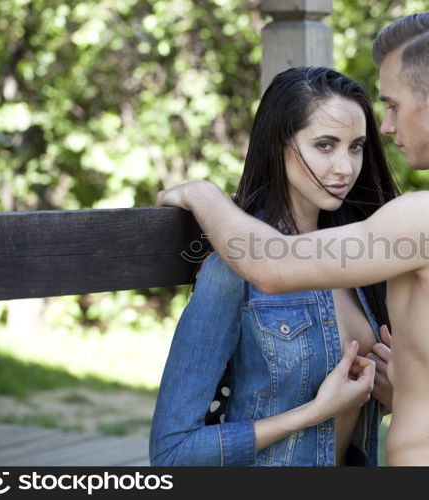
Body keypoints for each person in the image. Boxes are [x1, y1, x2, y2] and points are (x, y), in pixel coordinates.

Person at [156, 8, 429, 466]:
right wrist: (411, 389)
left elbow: (272, 266)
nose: (387, 127)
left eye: (393, 105)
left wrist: (204, 195)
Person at [149, 66, 400, 466]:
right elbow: (172, 453)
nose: (345, 167)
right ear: (279, 145)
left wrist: (391, 395)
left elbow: (356, 416)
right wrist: (314, 412)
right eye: (324, 145)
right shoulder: (234, 271)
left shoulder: (358, 260)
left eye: (356, 146)